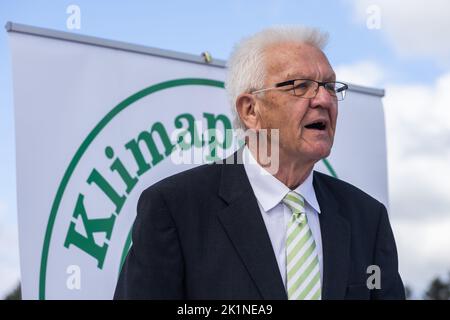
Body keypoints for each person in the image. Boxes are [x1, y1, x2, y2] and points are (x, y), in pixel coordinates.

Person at [114, 26, 405, 300]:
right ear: (250, 110)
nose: (324, 100)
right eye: (301, 85)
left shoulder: (367, 218)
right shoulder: (175, 208)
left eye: (330, 86)